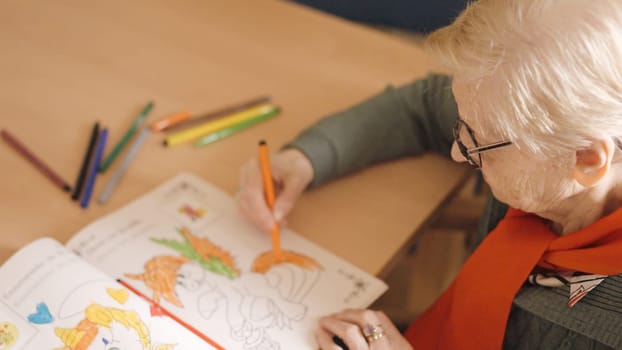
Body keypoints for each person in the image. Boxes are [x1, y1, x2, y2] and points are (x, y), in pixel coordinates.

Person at [237, 0, 622, 349]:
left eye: (476, 140)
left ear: (587, 159)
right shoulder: (524, 123)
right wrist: (308, 157)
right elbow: (422, 106)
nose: (458, 151)